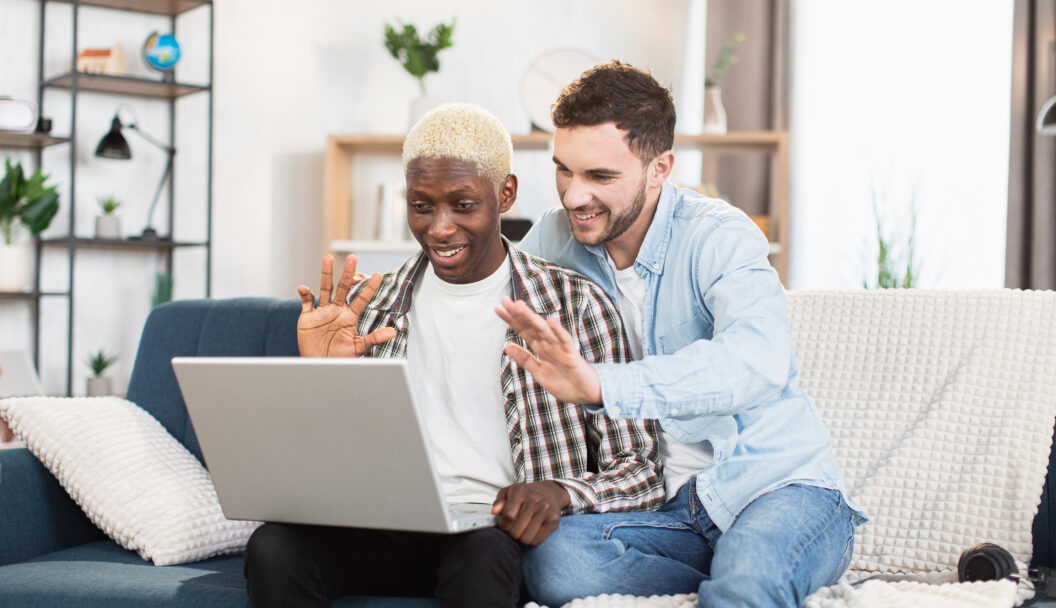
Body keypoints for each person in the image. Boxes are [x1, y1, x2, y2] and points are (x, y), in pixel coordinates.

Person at [242, 103, 664, 608]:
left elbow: (641, 468)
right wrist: (325, 376)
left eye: (463, 205)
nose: (440, 228)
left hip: (489, 535)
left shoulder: (574, 304)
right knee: (274, 546)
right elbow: (319, 469)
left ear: (504, 193)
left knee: (483, 558)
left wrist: (560, 492)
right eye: (422, 206)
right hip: (385, 524)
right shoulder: (371, 307)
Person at [497, 61, 867, 608]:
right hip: (665, 511)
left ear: (659, 168)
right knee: (555, 563)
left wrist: (602, 385)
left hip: (775, 486)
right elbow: (483, 308)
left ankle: (753, 578)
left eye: (600, 177)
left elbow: (756, 363)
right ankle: (740, 583)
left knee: (745, 584)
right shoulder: (556, 235)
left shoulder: (719, 235)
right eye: (563, 170)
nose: (574, 196)